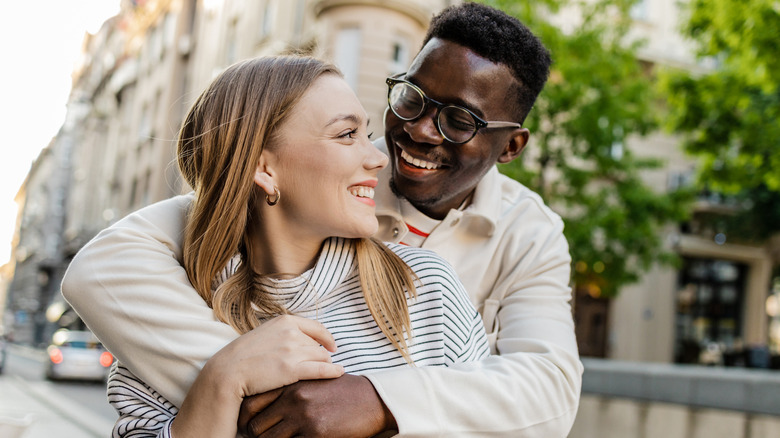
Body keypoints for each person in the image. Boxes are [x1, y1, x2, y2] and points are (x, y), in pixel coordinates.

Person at [63, 3, 582, 437]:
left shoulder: (512, 245)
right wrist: (234, 379)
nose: (417, 133)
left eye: (459, 119)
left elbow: (550, 388)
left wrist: (377, 401)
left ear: (510, 146)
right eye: (411, 98)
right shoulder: (321, 179)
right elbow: (114, 260)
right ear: (265, 170)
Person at [91, 55, 490, 438]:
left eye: (366, 134)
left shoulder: (425, 289)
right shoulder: (166, 317)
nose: (377, 159)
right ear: (263, 168)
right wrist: (223, 379)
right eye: (347, 134)